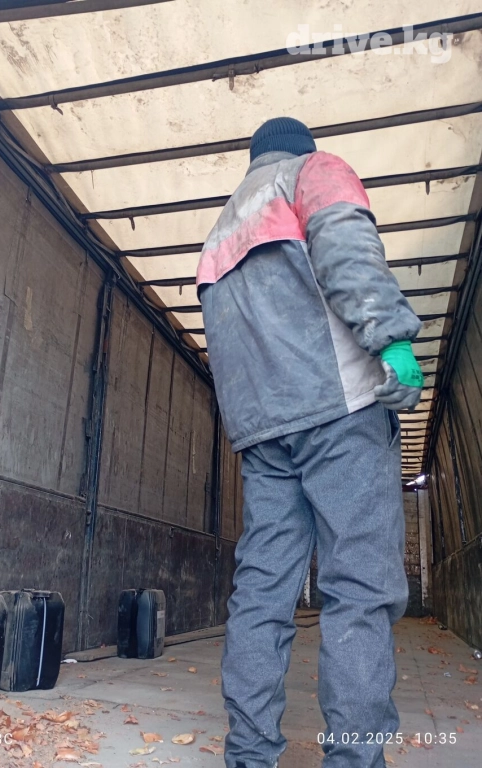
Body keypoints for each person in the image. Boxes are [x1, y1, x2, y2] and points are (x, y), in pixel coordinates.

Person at [197, 117, 424, 768]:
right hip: (340, 412)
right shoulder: (312, 173)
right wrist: (391, 339)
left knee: (262, 593)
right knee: (359, 589)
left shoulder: (217, 234)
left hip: (265, 433)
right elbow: (347, 249)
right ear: (302, 147)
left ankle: (248, 756)